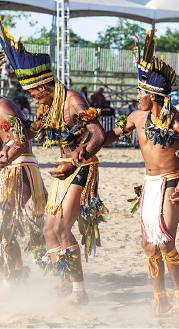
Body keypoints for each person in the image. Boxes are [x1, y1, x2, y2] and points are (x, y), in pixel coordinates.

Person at [87, 30, 179, 314]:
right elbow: (110, 136)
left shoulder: (178, 124)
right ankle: (161, 298)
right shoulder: (135, 117)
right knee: (148, 244)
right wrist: (91, 140)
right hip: (149, 183)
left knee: (166, 240)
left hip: (171, 182)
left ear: (154, 95)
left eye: (141, 92)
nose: (138, 96)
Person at [0, 22, 107, 304]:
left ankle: (78, 292)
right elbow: (29, 131)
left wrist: (76, 159)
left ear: (45, 86)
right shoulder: (46, 106)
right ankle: (63, 287)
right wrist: (12, 144)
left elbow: (97, 135)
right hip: (62, 169)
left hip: (83, 168)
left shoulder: (73, 100)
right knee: (49, 230)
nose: (33, 98)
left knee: (61, 229)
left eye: (34, 93)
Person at [0, 95, 47, 287]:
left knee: (5, 224)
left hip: (19, 168)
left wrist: (5, 157)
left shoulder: (2, 106)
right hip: (12, 166)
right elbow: (28, 133)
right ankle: (14, 275)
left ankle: (15, 277)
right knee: (5, 226)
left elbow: (22, 142)